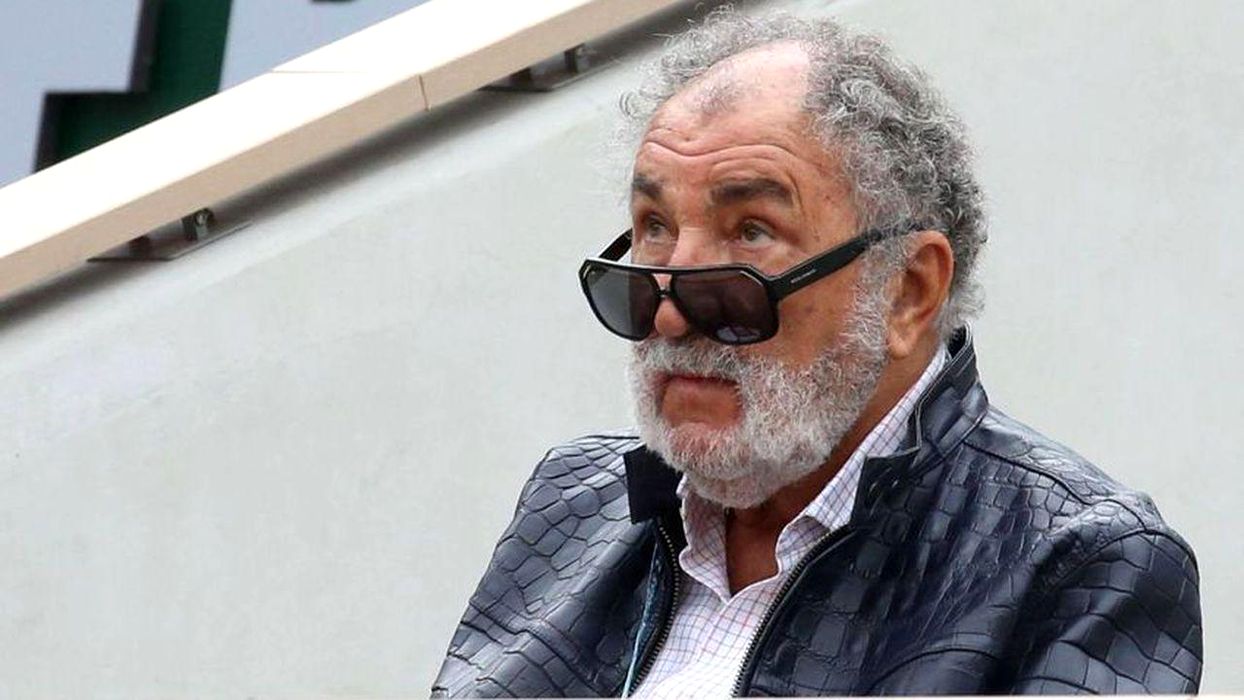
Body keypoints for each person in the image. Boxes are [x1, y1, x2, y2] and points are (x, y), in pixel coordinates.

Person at [432, 9, 1202, 697]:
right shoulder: (574, 501)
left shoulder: (1075, 562)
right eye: (655, 228)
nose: (668, 310)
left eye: (751, 232)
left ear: (906, 292)